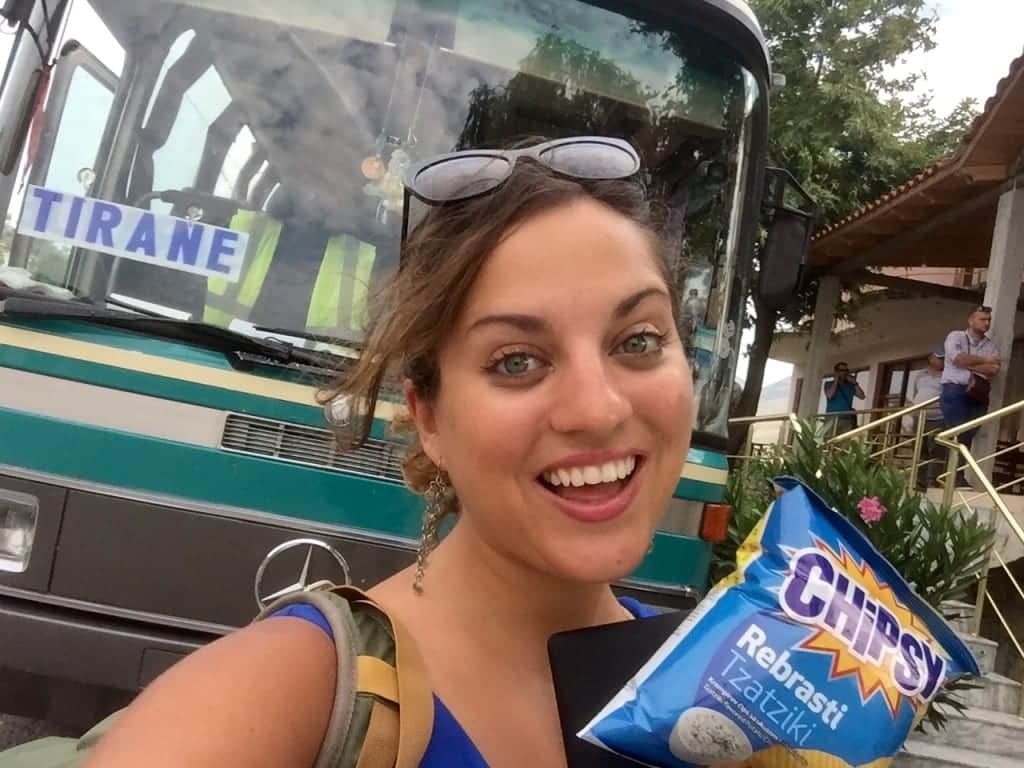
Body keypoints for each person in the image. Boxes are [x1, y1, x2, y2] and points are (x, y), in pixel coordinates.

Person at [82, 138, 694, 767]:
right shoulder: (300, 688)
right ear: (429, 417)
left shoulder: (716, 683)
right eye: (517, 361)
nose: (598, 409)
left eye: (639, 341)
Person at [941, 305, 1001, 486]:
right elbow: (957, 358)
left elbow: (993, 370)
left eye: (988, 320)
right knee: (956, 432)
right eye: (982, 319)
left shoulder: (990, 345)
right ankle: (952, 477)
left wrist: (969, 363)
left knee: (969, 433)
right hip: (956, 390)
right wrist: (984, 361)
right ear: (971, 320)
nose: (987, 323)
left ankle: (953, 475)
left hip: (978, 393)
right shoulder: (956, 336)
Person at [909, 348, 945, 488]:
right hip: (919, 417)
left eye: (943, 358)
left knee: (935, 450)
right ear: (931, 358)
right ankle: (919, 480)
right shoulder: (920, 375)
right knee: (919, 449)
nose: (942, 361)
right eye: (939, 357)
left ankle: (932, 481)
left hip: (937, 418)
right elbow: (916, 393)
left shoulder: (947, 376)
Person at [824, 362, 865, 435]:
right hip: (832, 419)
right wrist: (836, 380)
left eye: (846, 370)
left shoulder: (850, 386)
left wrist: (855, 383)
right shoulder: (828, 384)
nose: (845, 373)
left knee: (844, 444)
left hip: (846, 419)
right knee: (829, 442)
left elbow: (862, 396)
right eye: (842, 370)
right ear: (836, 372)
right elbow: (830, 395)